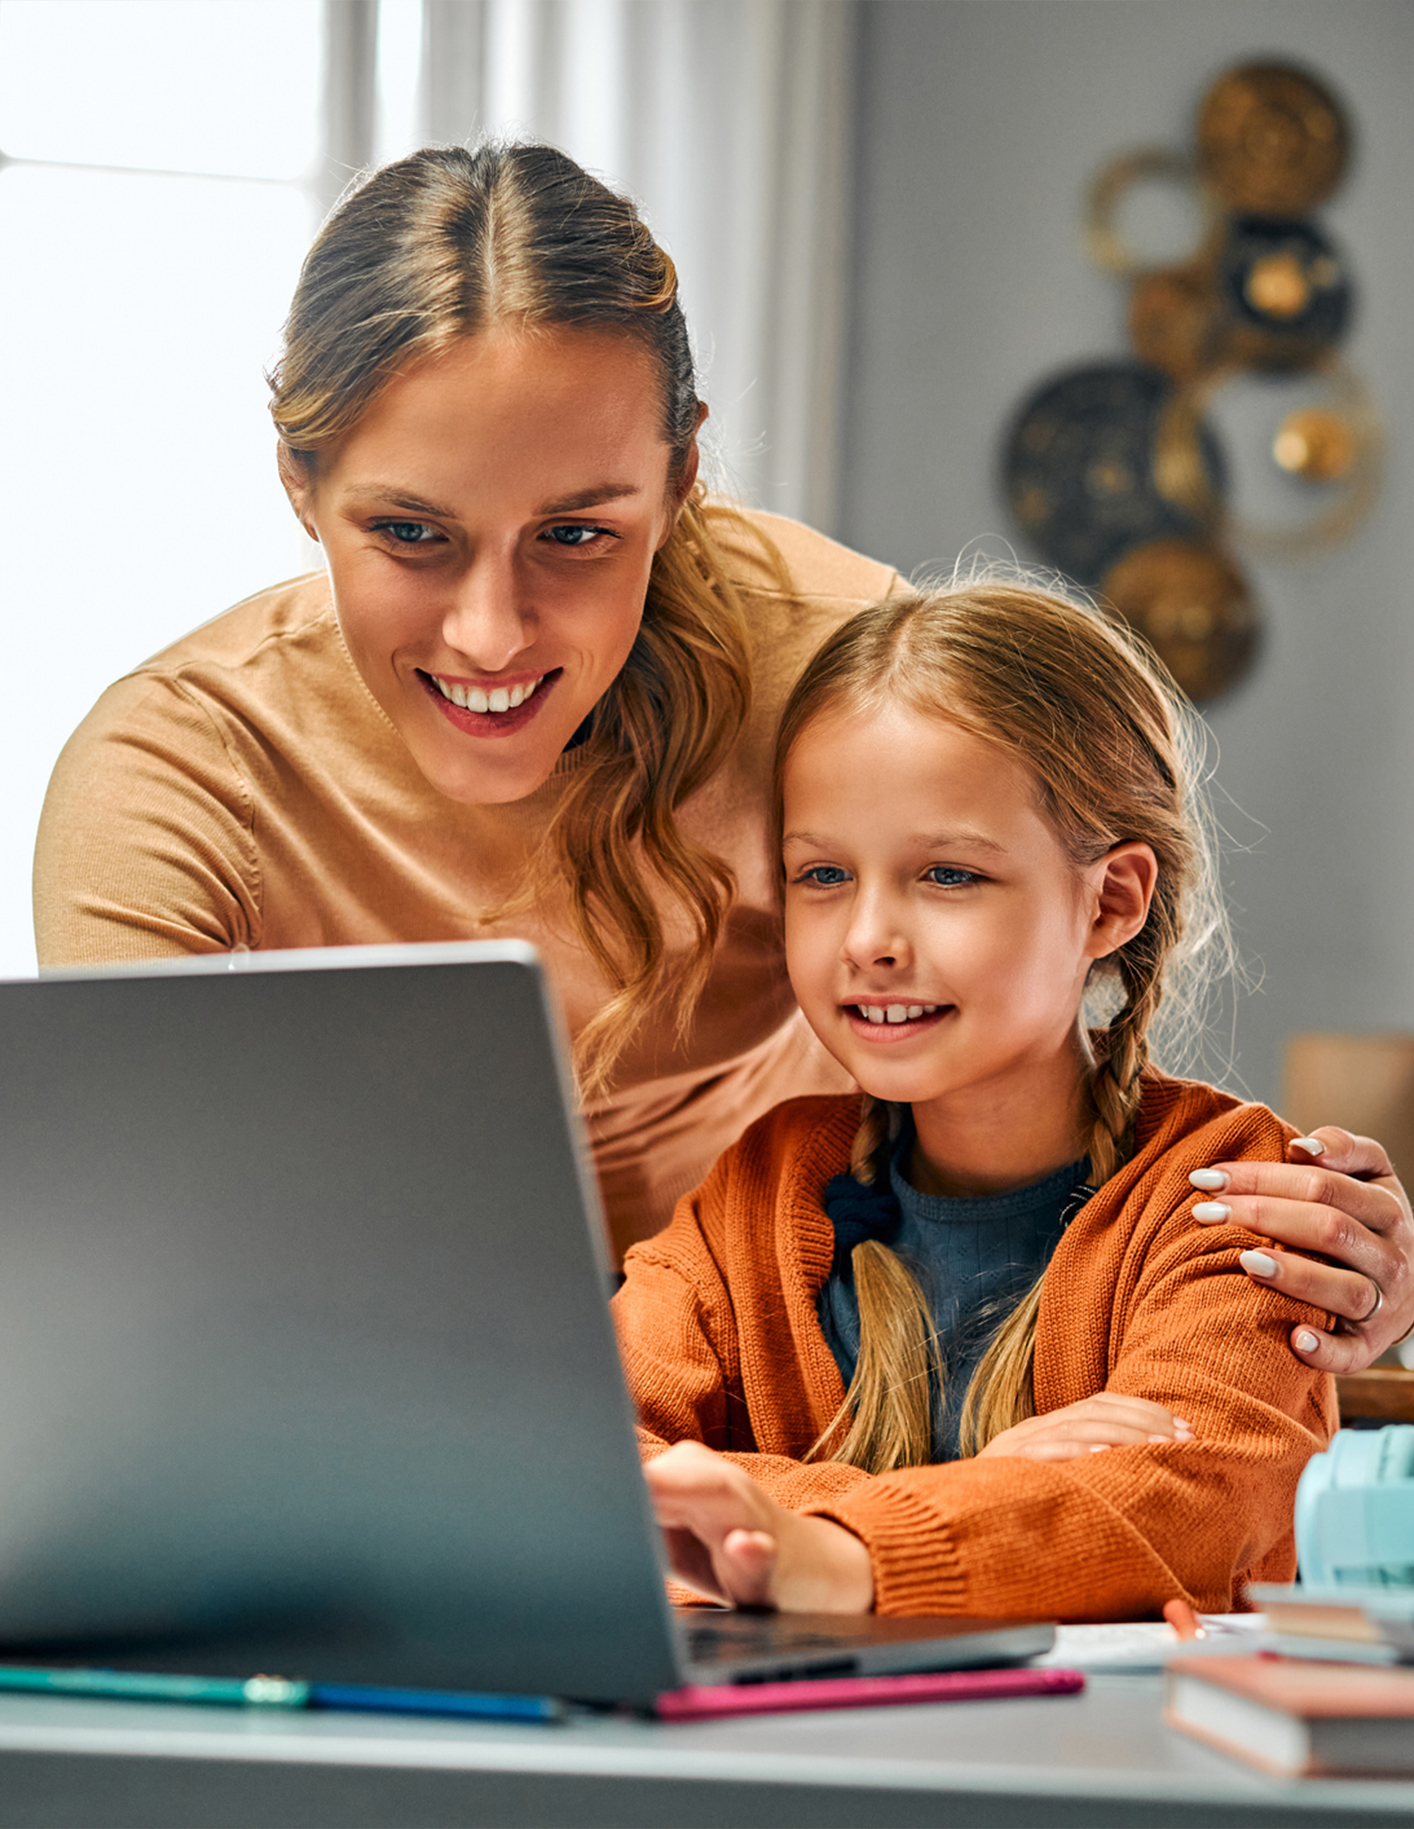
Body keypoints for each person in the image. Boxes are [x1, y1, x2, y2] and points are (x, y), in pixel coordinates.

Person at [31, 142, 1412, 1368]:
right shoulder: (174, 786)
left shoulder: (848, 672)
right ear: (300, 488)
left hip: (811, 1376)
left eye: (577, 534)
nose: (491, 632)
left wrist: (1278, 1252)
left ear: (684, 474)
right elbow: (154, 1283)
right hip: (379, 1391)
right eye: (410, 533)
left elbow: (1031, 1045)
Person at [620, 584, 1340, 1618]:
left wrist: (818, 1551)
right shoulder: (760, 1191)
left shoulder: (1232, 1195)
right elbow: (591, 1462)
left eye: (948, 873)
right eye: (822, 872)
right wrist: (967, 1493)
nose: (869, 936)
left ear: (1110, 900)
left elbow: (1197, 1501)